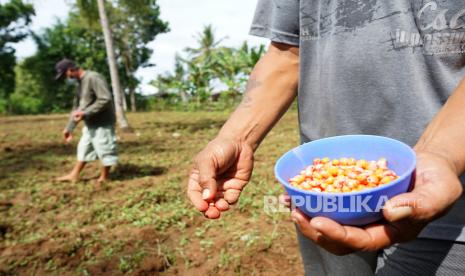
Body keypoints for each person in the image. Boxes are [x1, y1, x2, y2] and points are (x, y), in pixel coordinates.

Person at [187, 0, 465, 275]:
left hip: (442, 197)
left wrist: (442, 154)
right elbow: (288, 54)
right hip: (323, 205)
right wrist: (238, 137)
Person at [55, 58, 118, 184]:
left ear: (70, 69)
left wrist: (85, 113)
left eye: (65, 74)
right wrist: (69, 128)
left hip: (102, 123)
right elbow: (77, 108)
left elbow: (105, 99)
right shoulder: (80, 83)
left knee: (105, 149)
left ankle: (104, 178)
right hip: (90, 123)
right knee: (83, 149)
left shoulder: (93, 78)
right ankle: (74, 175)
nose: (66, 78)